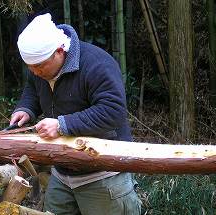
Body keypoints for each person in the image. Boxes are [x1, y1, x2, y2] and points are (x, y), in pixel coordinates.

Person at [11, 13, 142, 215]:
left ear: (60, 51)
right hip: (62, 174)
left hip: (103, 174)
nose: (35, 72)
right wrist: (25, 109)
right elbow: (33, 88)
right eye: (30, 67)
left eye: (38, 66)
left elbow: (113, 111)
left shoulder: (97, 64)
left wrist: (62, 125)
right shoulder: (41, 64)